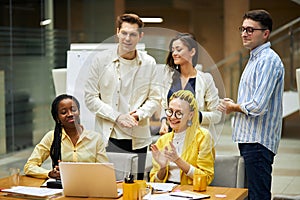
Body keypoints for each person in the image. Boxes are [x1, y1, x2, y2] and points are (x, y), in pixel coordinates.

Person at [84, 13, 161, 180]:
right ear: (117, 32)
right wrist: (117, 117)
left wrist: (138, 114)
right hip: (109, 136)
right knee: (111, 184)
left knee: (138, 183)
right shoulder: (100, 60)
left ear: (140, 36)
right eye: (124, 33)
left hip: (138, 137)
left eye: (133, 34)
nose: (128, 38)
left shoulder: (149, 63)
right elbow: (90, 98)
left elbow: (155, 98)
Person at [218, 10, 285, 200]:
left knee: (258, 195)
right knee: (250, 193)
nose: (244, 33)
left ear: (265, 33)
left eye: (250, 30)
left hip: (258, 141)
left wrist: (233, 107)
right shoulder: (254, 58)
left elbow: (257, 106)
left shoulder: (268, 60)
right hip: (250, 140)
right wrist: (234, 105)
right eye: (243, 29)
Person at [24, 94, 108, 179]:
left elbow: (105, 171)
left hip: (90, 186)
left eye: (73, 110)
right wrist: (50, 174)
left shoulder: (95, 138)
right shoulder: (51, 137)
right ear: (57, 118)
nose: (70, 114)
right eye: (64, 112)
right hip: (62, 188)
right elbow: (29, 166)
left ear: (79, 112)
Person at [159, 33, 222, 143]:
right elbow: (164, 107)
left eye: (178, 50)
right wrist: (164, 122)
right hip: (172, 139)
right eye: (172, 50)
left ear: (192, 52)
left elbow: (217, 115)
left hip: (195, 140)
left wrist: (194, 116)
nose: (174, 53)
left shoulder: (205, 79)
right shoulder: (168, 77)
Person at [150, 90, 215, 185]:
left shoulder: (203, 137)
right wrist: (163, 168)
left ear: (190, 115)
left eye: (179, 113)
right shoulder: (162, 140)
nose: (172, 117)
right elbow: (155, 182)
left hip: (192, 191)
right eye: (170, 111)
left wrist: (177, 160)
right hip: (166, 192)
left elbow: (206, 178)